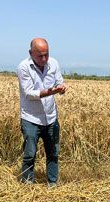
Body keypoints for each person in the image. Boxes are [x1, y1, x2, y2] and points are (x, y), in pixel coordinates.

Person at [17, 37, 67, 186]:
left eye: (47, 54)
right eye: (40, 55)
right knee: (30, 154)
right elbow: (29, 93)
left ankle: (53, 183)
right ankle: (27, 185)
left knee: (53, 153)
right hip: (31, 118)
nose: (44, 58)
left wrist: (62, 88)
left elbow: (59, 82)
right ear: (30, 53)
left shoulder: (54, 63)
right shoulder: (24, 67)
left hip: (51, 117)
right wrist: (50, 92)